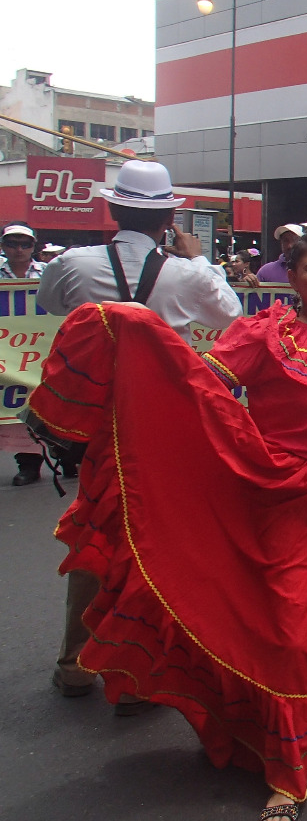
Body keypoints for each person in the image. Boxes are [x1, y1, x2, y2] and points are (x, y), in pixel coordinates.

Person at [31, 229, 307, 818]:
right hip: (289, 499)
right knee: (290, 635)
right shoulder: (264, 334)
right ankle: (287, 773)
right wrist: (142, 339)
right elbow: (198, 387)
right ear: (293, 278)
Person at [36, 162, 244, 701]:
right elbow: (230, 315)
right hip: (167, 421)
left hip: (99, 418)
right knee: (158, 533)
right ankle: (135, 676)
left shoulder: (72, 264)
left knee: (97, 525)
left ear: (112, 209)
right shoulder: (188, 273)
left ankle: (76, 661)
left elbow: (49, 304)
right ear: (169, 218)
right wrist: (199, 261)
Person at [1, 224, 48, 485]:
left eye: (25, 244)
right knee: (13, 406)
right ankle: (28, 464)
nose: (18, 249)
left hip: (42, 347)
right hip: (8, 350)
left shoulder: (48, 272)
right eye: (12, 243)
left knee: (48, 400)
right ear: (3, 246)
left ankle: (66, 456)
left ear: (33, 246)